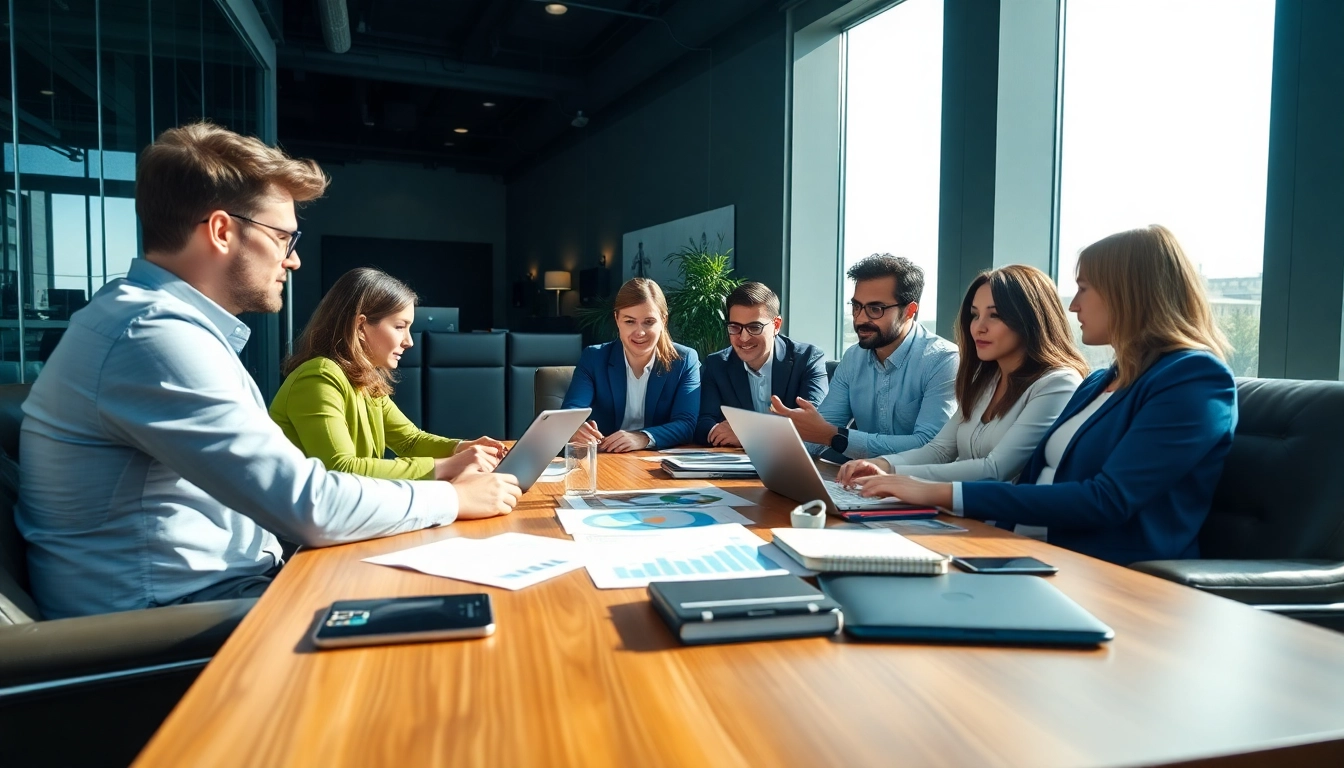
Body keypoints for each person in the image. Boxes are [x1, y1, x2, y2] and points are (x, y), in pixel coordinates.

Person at [17, 123, 520, 619]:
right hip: (172, 624)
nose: (293, 259)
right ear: (220, 230)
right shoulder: (152, 337)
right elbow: (310, 504)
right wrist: (450, 498)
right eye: (284, 237)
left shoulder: (155, 325)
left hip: (224, 590)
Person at [856, 225, 1237, 565]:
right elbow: (1031, 482)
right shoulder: (1101, 381)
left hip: (1106, 570)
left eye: (1085, 289)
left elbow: (1107, 500)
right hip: (1023, 545)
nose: (1073, 305)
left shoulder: (1194, 378)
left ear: (1130, 293)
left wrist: (932, 492)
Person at [836, 265, 1086, 485]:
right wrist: (881, 465)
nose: (979, 326)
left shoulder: (1058, 383)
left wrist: (895, 477)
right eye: (975, 315)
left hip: (1005, 528)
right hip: (961, 513)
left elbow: (995, 470)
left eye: (995, 315)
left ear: (1031, 319)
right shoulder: (985, 380)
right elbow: (939, 450)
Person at [271, 267, 506, 480]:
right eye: (400, 326)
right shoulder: (318, 377)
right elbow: (341, 469)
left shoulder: (364, 378)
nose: (409, 341)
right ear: (361, 327)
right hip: (302, 526)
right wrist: (447, 466)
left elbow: (410, 440)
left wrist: (462, 448)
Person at [771, 254, 958, 462]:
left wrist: (835, 437)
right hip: (862, 484)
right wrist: (776, 442)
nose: (860, 319)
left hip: (921, 489)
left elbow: (930, 447)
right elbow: (820, 432)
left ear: (909, 311)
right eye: (856, 306)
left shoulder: (943, 360)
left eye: (875, 309)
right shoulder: (853, 358)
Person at [562, 278, 700, 452]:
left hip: (656, 464)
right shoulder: (594, 357)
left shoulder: (684, 360)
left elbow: (686, 424)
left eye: (649, 322)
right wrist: (575, 427)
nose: (640, 332)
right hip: (606, 460)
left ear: (663, 321)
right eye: (629, 321)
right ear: (617, 319)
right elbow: (570, 413)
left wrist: (643, 437)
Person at [695, 281, 828, 447]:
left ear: (776, 325)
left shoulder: (808, 359)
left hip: (794, 463)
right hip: (736, 464)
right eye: (735, 327)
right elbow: (702, 422)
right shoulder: (717, 364)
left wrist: (748, 434)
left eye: (754, 327)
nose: (743, 338)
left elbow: (814, 424)